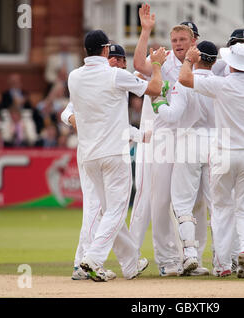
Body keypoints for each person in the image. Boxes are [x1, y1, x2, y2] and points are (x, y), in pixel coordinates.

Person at [68, 29, 165, 282]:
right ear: (104, 50)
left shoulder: (73, 77)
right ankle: (92, 259)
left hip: (88, 157)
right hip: (114, 154)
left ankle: (131, 264)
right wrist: (156, 65)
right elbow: (155, 88)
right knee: (116, 212)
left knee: (108, 211)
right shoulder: (114, 75)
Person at [179, 43, 244, 278]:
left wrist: (190, 60)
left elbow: (184, 80)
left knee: (221, 210)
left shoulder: (221, 84)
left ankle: (222, 265)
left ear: (231, 64)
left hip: (224, 153)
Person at [132, 3, 197, 277]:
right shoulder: (165, 58)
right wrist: (146, 31)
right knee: (159, 201)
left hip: (193, 137)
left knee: (193, 203)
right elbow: (137, 65)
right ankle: (167, 260)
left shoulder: (203, 59)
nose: (178, 44)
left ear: (193, 41)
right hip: (163, 138)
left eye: (183, 40)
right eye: (175, 40)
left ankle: (193, 257)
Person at [155, 41, 218, 276]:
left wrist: (158, 102)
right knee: (217, 204)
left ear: (197, 57)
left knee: (182, 203)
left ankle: (190, 254)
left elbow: (172, 116)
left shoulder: (184, 82)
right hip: (217, 145)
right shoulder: (221, 83)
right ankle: (223, 259)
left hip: (190, 142)